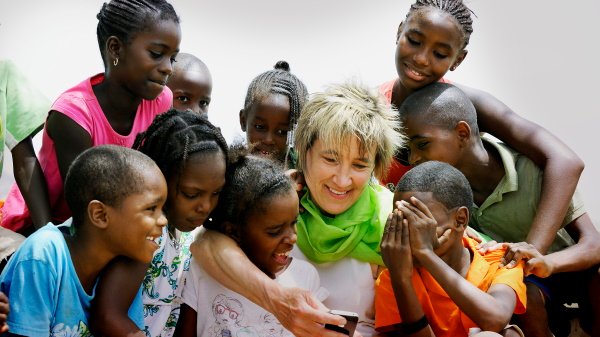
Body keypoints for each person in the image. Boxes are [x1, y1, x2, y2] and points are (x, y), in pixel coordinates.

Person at [379, 0, 585, 264]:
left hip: (478, 253)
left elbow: (565, 161)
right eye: (414, 41)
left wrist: (530, 252)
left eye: (440, 54)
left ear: (458, 59)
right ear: (399, 32)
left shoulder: (467, 105)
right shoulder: (373, 111)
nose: (421, 58)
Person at [192, 82, 404, 337]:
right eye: (330, 159)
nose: (342, 180)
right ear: (304, 151)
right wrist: (278, 301)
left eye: (359, 165)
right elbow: (205, 244)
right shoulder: (274, 202)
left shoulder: (391, 222)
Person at [398, 82, 600, 337]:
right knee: (523, 295)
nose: (414, 158)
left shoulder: (533, 170)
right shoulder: (444, 199)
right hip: (523, 289)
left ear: (462, 133)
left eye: (422, 144)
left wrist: (546, 262)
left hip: (572, 268)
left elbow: (593, 244)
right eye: (409, 150)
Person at [0, 0, 181, 235]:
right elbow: (83, 204)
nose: (168, 68)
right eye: (156, 54)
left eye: (173, 58)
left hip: (113, 221)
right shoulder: (74, 115)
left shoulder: (160, 101)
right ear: (115, 49)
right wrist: (46, 238)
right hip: (50, 225)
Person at [0, 145, 168, 336]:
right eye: (151, 208)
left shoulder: (123, 258)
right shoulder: (44, 254)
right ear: (100, 215)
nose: (163, 220)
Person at [89, 109, 228, 337]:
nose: (205, 206)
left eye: (216, 193)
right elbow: (107, 316)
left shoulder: (184, 233)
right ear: (160, 177)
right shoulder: (148, 234)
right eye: (191, 194)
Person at [175, 147, 327, 337]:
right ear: (234, 231)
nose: (292, 237)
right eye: (275, 231)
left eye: (294, 223)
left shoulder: (305, 277)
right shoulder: (203, 270)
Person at [375, 161, 527, 337]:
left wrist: (426, 253)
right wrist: (401, 279)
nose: (410, 235)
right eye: (401, 222)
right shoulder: (396, 274)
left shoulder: (500, 260)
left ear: (460, 220)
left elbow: (495, 319)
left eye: (421, 224)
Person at [239, 60, 308, 167]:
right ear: (243, 121)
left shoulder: (302, 179)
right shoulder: (224, 172)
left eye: (282, 132)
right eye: (260, 127)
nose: (268, 140)